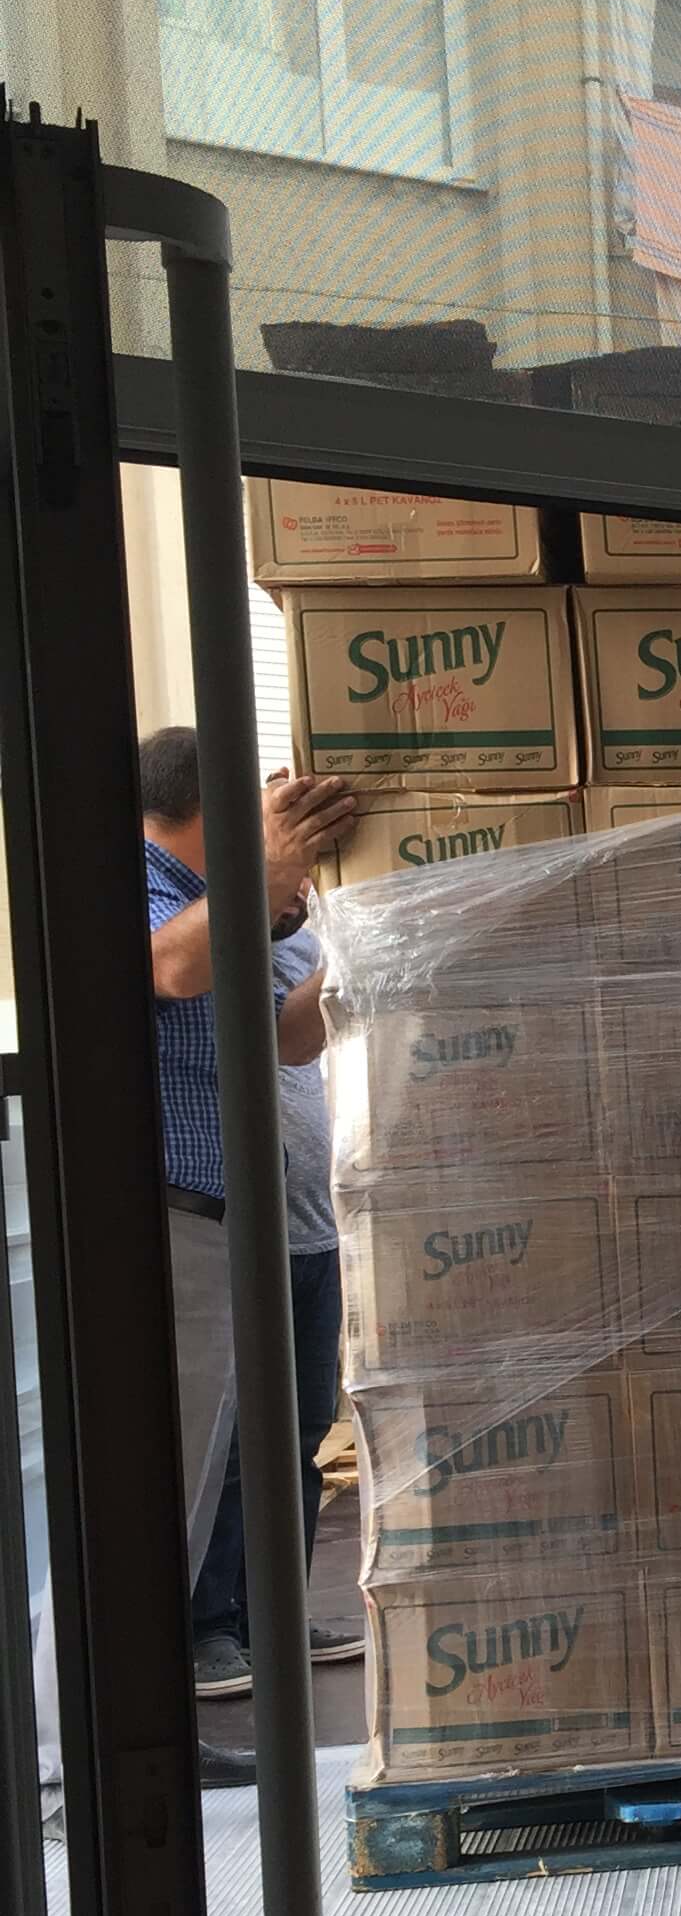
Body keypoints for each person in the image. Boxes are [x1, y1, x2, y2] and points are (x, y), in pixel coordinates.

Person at [50, 728, 354, 1789]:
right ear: (212, 805)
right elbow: (170, 967)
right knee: (161, 1487)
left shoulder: (227, 901)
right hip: (169, 1224)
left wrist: (358, 945)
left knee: (195, 1480)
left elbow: (286, 1038)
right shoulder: (133, 882)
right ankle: (92, 1756)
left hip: (233, 1224)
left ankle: (135, 1739)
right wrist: (262, 873)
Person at [189, 893, 361, 1699]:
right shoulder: (208, 944)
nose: (301, 893)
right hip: (240, 1235)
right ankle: (208, 1628)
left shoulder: (301, 948)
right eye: (290, 872)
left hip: (312, 1230)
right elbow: (271, 1041)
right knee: (227, 1447)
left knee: (300, 1435)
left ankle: (272, 1617)